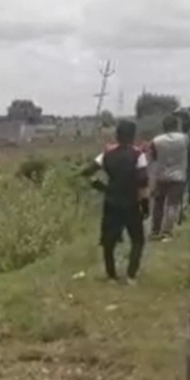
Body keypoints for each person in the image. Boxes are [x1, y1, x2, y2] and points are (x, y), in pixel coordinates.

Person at [81, 119, 150, 283]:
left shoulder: (107, 155)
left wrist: (100, 186)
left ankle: (111, 275)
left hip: (111, 201)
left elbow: (86, 172)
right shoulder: (138, 155)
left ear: (117, 136)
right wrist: (145, 205)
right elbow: (143, 182)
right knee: (137, 240)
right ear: (133, 136)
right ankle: (131, 275)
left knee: (109, 241)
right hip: (131, 202)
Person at [148, 114, 189, 240]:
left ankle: (155, 230)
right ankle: (167, 232)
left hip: (161, 175)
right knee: (172, 204)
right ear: (176, 126)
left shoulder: (156, 140)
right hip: (178, 176)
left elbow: (153, 158)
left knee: (158, 204)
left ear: (163, 126)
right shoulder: (184, 138)